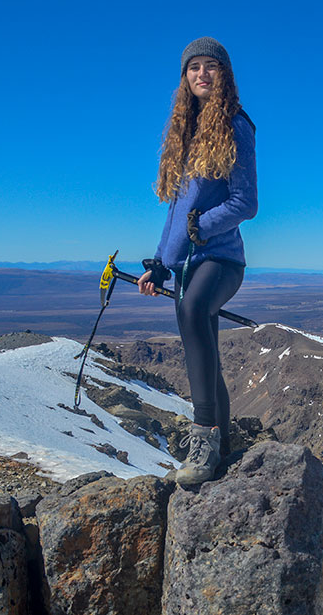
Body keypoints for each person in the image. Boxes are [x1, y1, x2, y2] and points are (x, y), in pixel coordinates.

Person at [138, 37, 257, 485]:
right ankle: (222, 448)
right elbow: (176, 213)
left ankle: (202, 445)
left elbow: (246, 203)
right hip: (189, 264)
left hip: (222, 261)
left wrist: (200, 228)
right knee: (202, 347)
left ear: (224, 75)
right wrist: (161, 266)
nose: (202, 74)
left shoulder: (237, 126)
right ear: (185, 79)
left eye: (211, 66)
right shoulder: (184, 136)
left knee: (192, 311)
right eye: (194, 68)